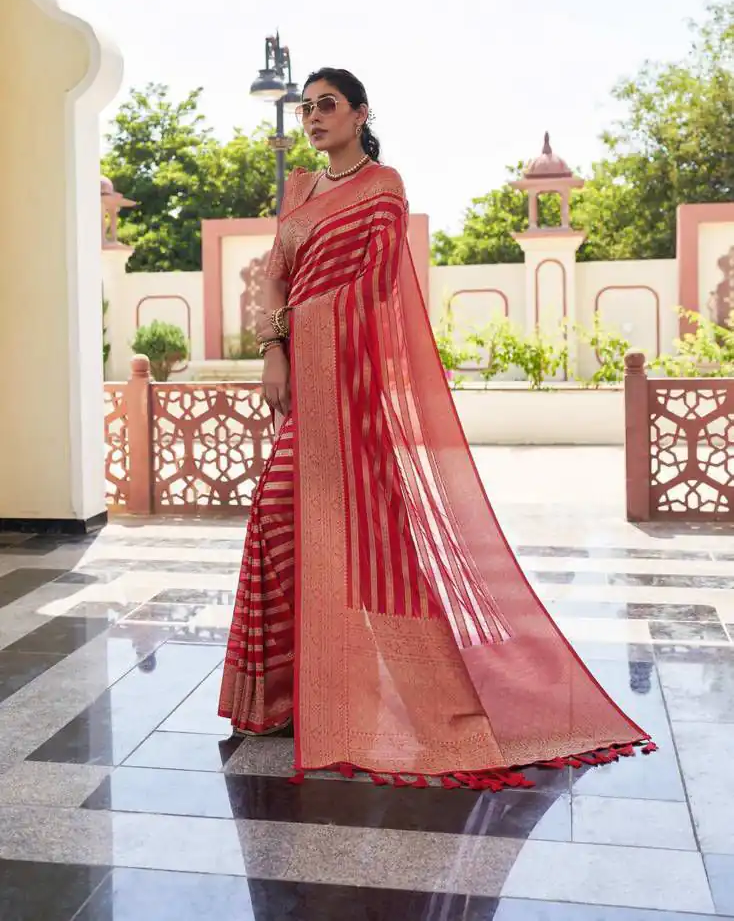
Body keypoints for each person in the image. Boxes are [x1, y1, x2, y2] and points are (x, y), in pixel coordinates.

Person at [218, 68, 655, 789]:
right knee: (278, 516)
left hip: (348, 378)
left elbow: (376, 285)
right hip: (301, 370)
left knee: (365, 531)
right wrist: (275, 349)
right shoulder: (298, 189)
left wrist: (310, 328)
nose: (314, 116)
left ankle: (392, 684)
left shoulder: (383, 187)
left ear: (360, 114)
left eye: (328, 105)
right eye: (307, 107)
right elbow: (275, 274)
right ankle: (284, 698)